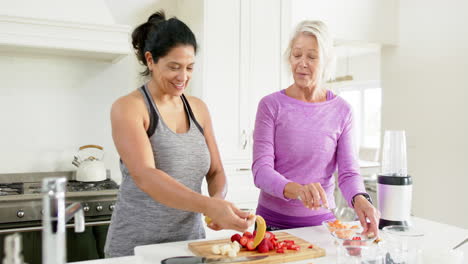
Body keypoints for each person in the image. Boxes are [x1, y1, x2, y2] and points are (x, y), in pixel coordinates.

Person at [104, 10, 254, 257]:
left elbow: (216, 171)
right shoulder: (129, 107)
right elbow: (146, 176)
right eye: (174, 67)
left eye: (190, 67)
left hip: (189, 247)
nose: (183, 77)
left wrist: (217, 201)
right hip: (136, 248)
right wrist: (210, 205)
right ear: (150, 60)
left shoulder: (198, 108)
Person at [252, 20, 380, 236]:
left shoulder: (342, 111)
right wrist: (299, 191)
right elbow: (261, 172)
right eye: (297, 55)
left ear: (326, 61)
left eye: (311, 57)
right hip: (271, 226)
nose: (302, 63)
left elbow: (348, 174)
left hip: (321, 227)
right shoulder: (270, 105)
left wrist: (361, 199)